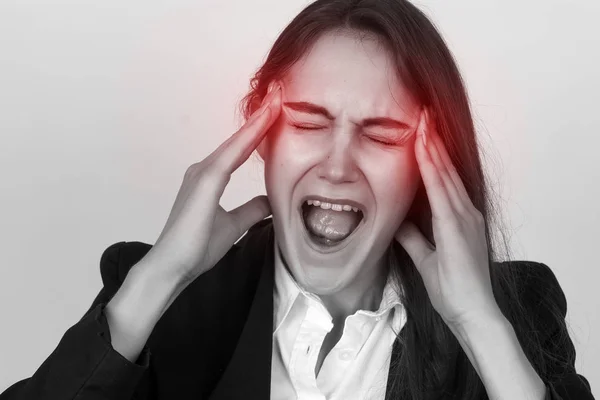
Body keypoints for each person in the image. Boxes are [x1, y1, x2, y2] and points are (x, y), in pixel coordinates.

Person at [1, 0, 596, 399]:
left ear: (428, 168)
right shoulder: (159, 305)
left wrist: (479, 324)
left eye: (382, 133)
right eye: (309, 122)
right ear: (261, 137)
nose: (338, 165)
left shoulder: (518, 313)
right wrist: (162, 277)